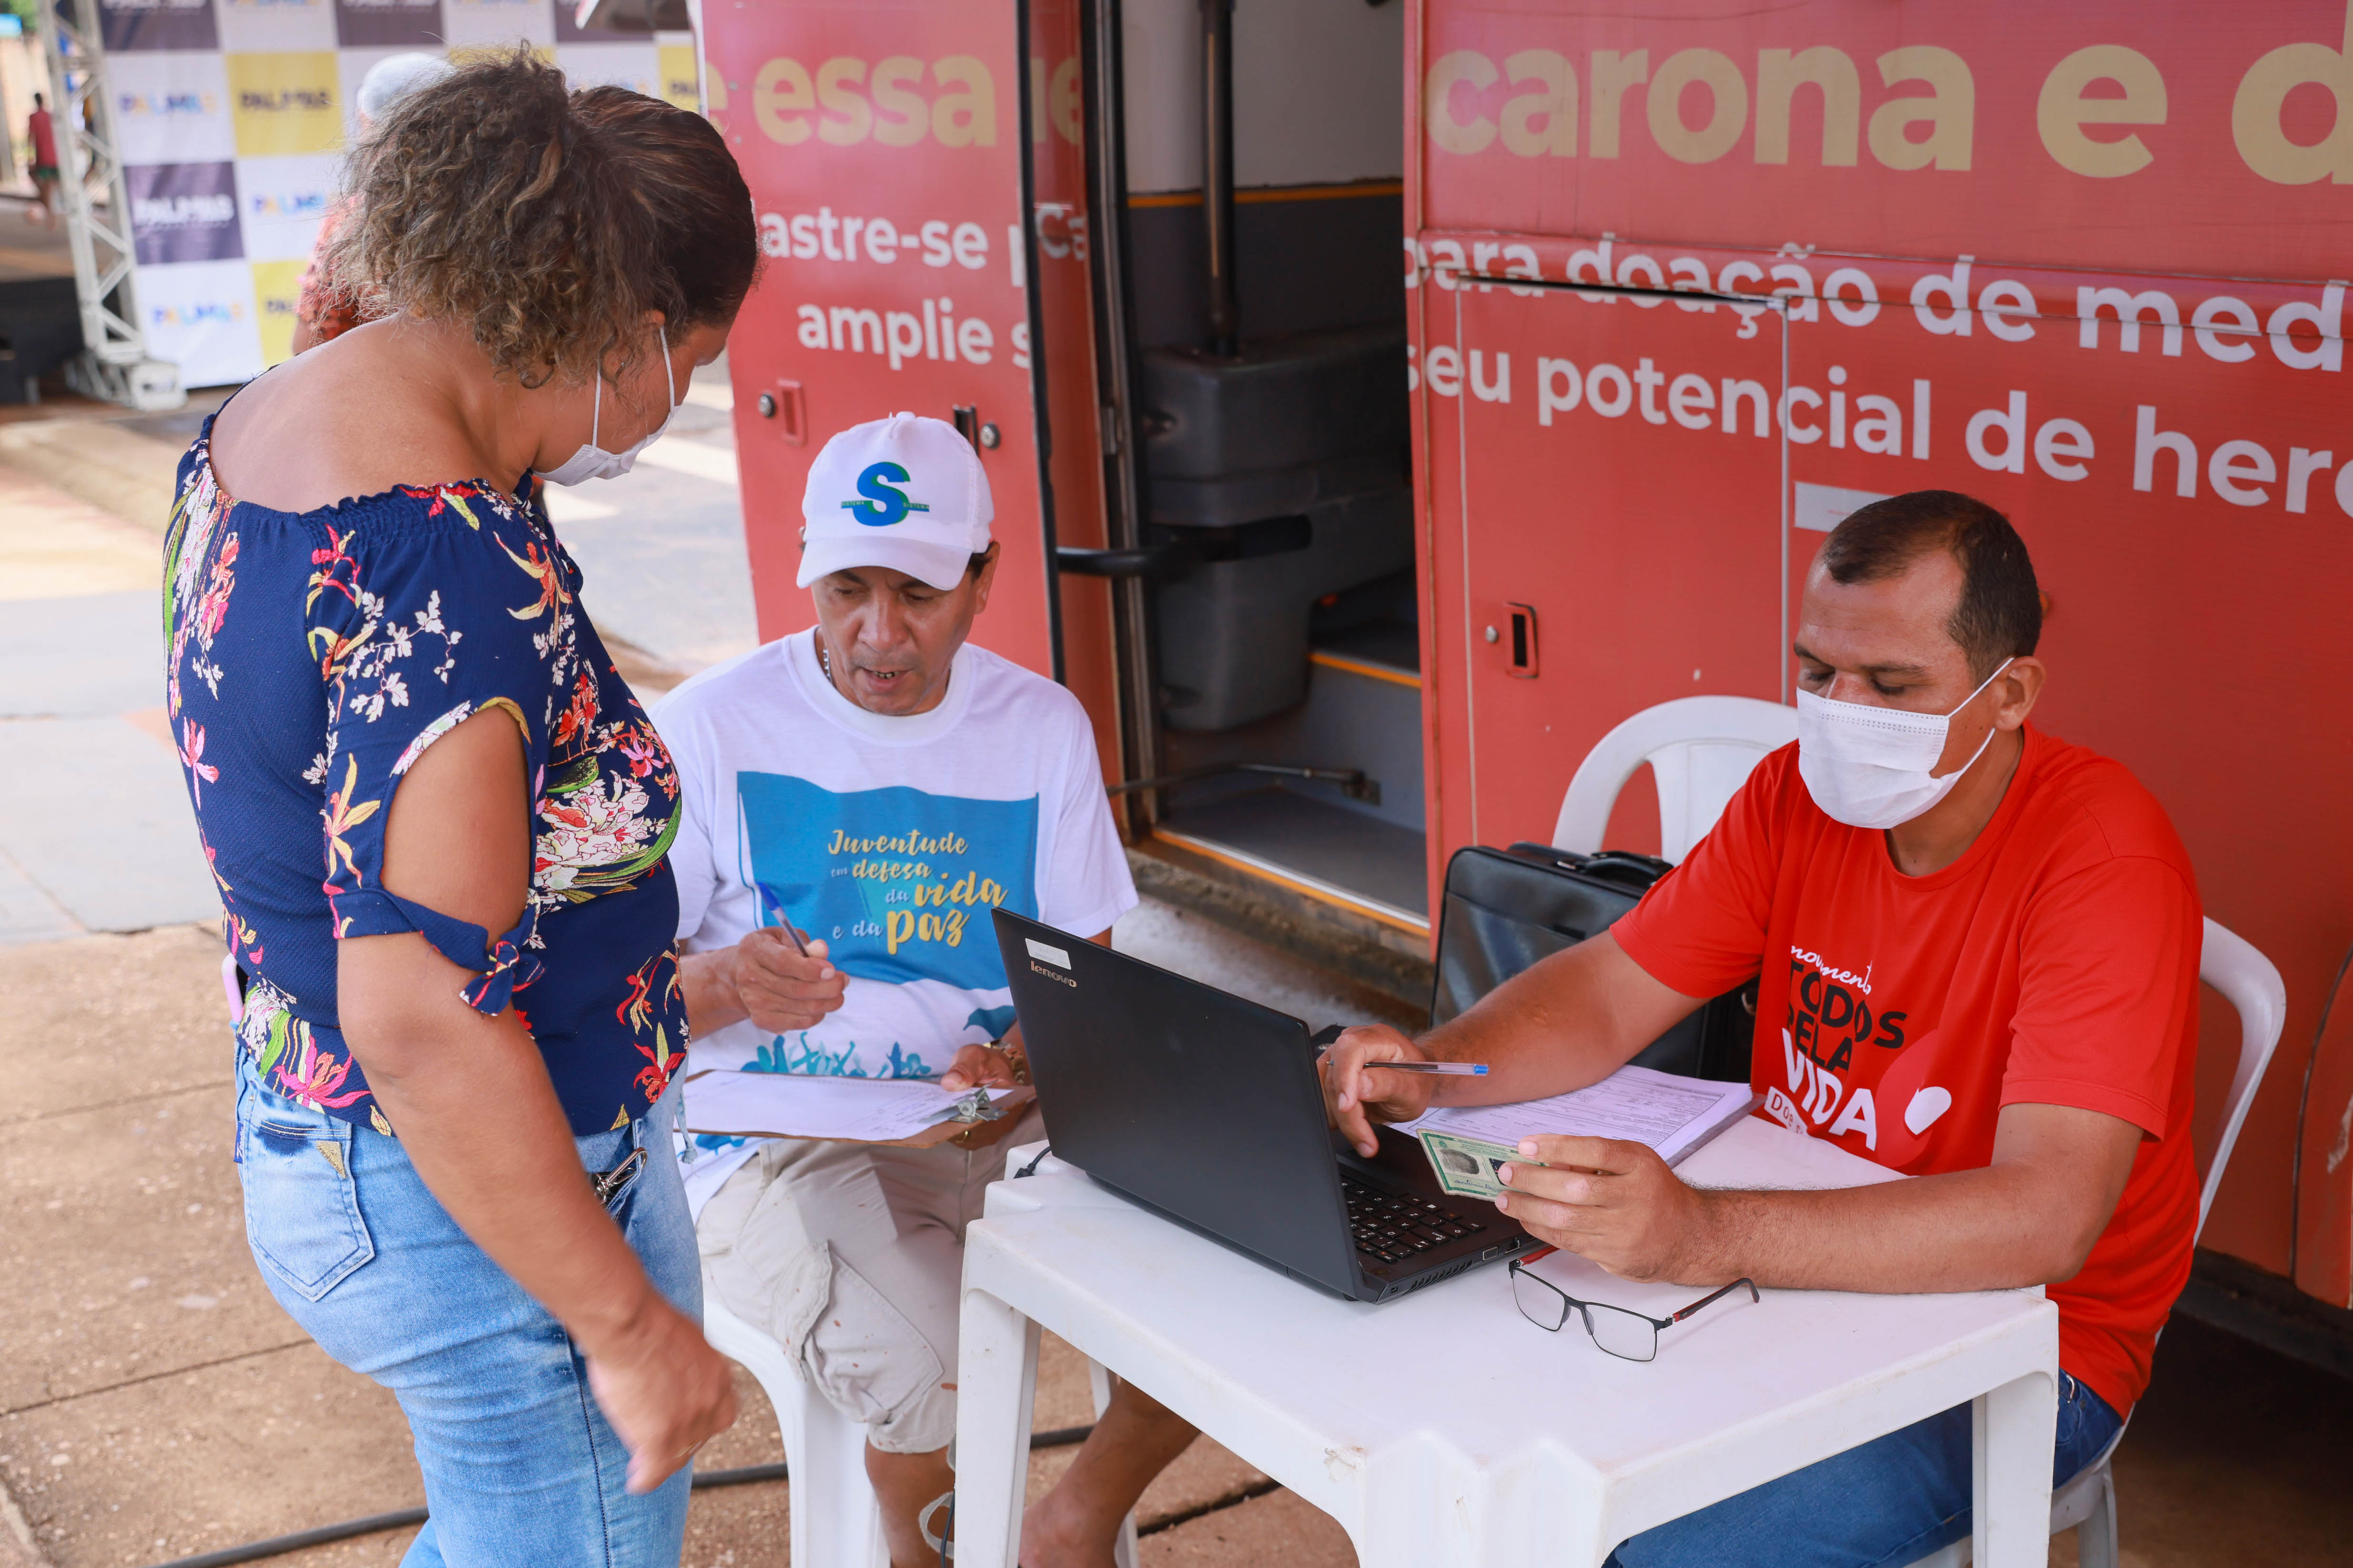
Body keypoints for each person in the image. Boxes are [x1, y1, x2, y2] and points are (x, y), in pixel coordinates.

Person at [1323, 491, 2201, 1568]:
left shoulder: (2102, 863)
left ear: (2009, 691)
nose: (1838, 710)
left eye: (1888, 684)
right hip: (1779, 1273)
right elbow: (1609, 987)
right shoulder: (1794, 792)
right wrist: (1437, 1068)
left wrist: (1700, 1232)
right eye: (1814, 669)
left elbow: (2046, 1218)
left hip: (2024, 1344)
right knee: (1455, 1452)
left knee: (1637, 1549)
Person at [166, 51, 754, 1565]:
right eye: (690, 355)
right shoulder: (452, 572)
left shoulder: (270, 427)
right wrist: (626, 1327)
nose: (674, 401)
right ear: (624, 331)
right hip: (476, 1194)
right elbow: (423, 1012)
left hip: (325, 1136)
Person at [662, 412, 1200, 1568]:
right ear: (807, 569)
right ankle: (927, 1551)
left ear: (981, 577)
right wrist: (722, 983)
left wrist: (1014, 1062)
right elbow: (605, 993)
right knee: (930, 1362)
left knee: (1243, 1271)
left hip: (995, 1118)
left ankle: (1068, 1521)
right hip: (773, 1132)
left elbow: (1080, 986)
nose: (879, 632)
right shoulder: (710, 727)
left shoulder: (1041, 727)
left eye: (916, 591)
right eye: (846, 587)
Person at [290, 53, 454, 353]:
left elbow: (311, 346)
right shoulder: (521, 210)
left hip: (389, 390)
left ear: (369, 125)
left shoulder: (350, 222)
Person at [24, 92, 59, 229]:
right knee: (51, 189)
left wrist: (29, 158)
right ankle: (51, 215)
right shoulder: (52, 116)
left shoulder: (34, 117)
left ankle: (50, 215)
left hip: (44, 157)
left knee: (45, 189)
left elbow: (30, 138)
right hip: (55, 156)